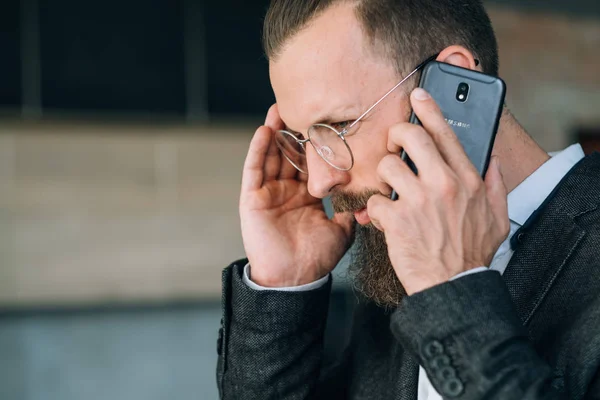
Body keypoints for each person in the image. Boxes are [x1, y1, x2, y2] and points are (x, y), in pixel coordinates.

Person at [216, 1, 600, 398]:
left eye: (340, 126)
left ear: (454, 82)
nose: (318, 182)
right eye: (304, 138)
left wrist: (453, 291)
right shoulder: (393, 271)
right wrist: (283, 289)